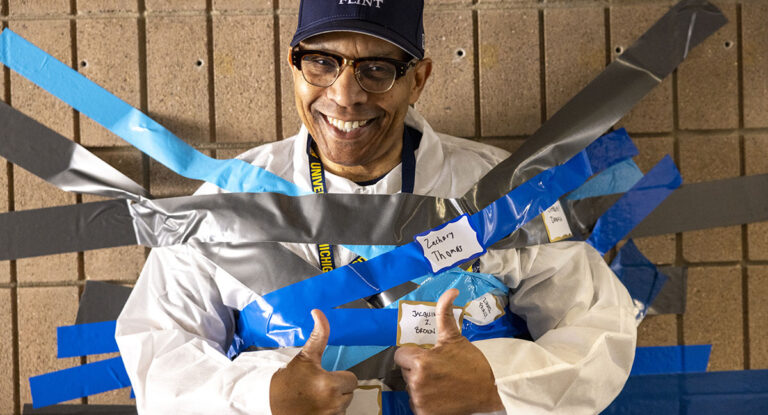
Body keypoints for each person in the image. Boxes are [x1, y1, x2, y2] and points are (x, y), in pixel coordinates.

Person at [116, 0, 637, 413]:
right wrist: (262, 396)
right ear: (294, 64)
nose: (345, 96)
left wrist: (495, 381)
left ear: (420, 77)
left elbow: (600, 328)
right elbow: (157, 349)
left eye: (377, 69)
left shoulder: (503, 191)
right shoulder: (227, 203)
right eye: (322, 62)